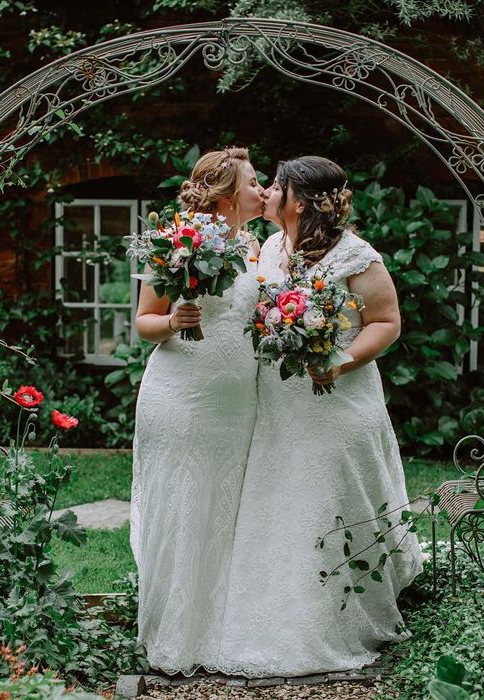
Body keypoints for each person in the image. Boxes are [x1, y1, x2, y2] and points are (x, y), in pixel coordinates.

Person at [216, 156, 423, 677]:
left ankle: (341, 616)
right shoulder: (269, 247)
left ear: (299, 200)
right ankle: (268, 614)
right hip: (280, 406)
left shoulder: (356, 256)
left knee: (327, 501)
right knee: (279, 503)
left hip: (337, 404)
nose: (266, 191)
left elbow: (387, 322)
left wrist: (338, 359)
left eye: (276, 186)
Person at [130, 147, 265, 675]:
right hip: (183, 393)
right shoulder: (173, 244)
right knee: (185, 504)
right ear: (229, 194)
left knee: (226, 508)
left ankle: (222, 628)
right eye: (254, 183)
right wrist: (173, 320)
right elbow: (144, 320)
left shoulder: (256, 246)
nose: (263, 191)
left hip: (238, 400)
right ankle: (176, 633)